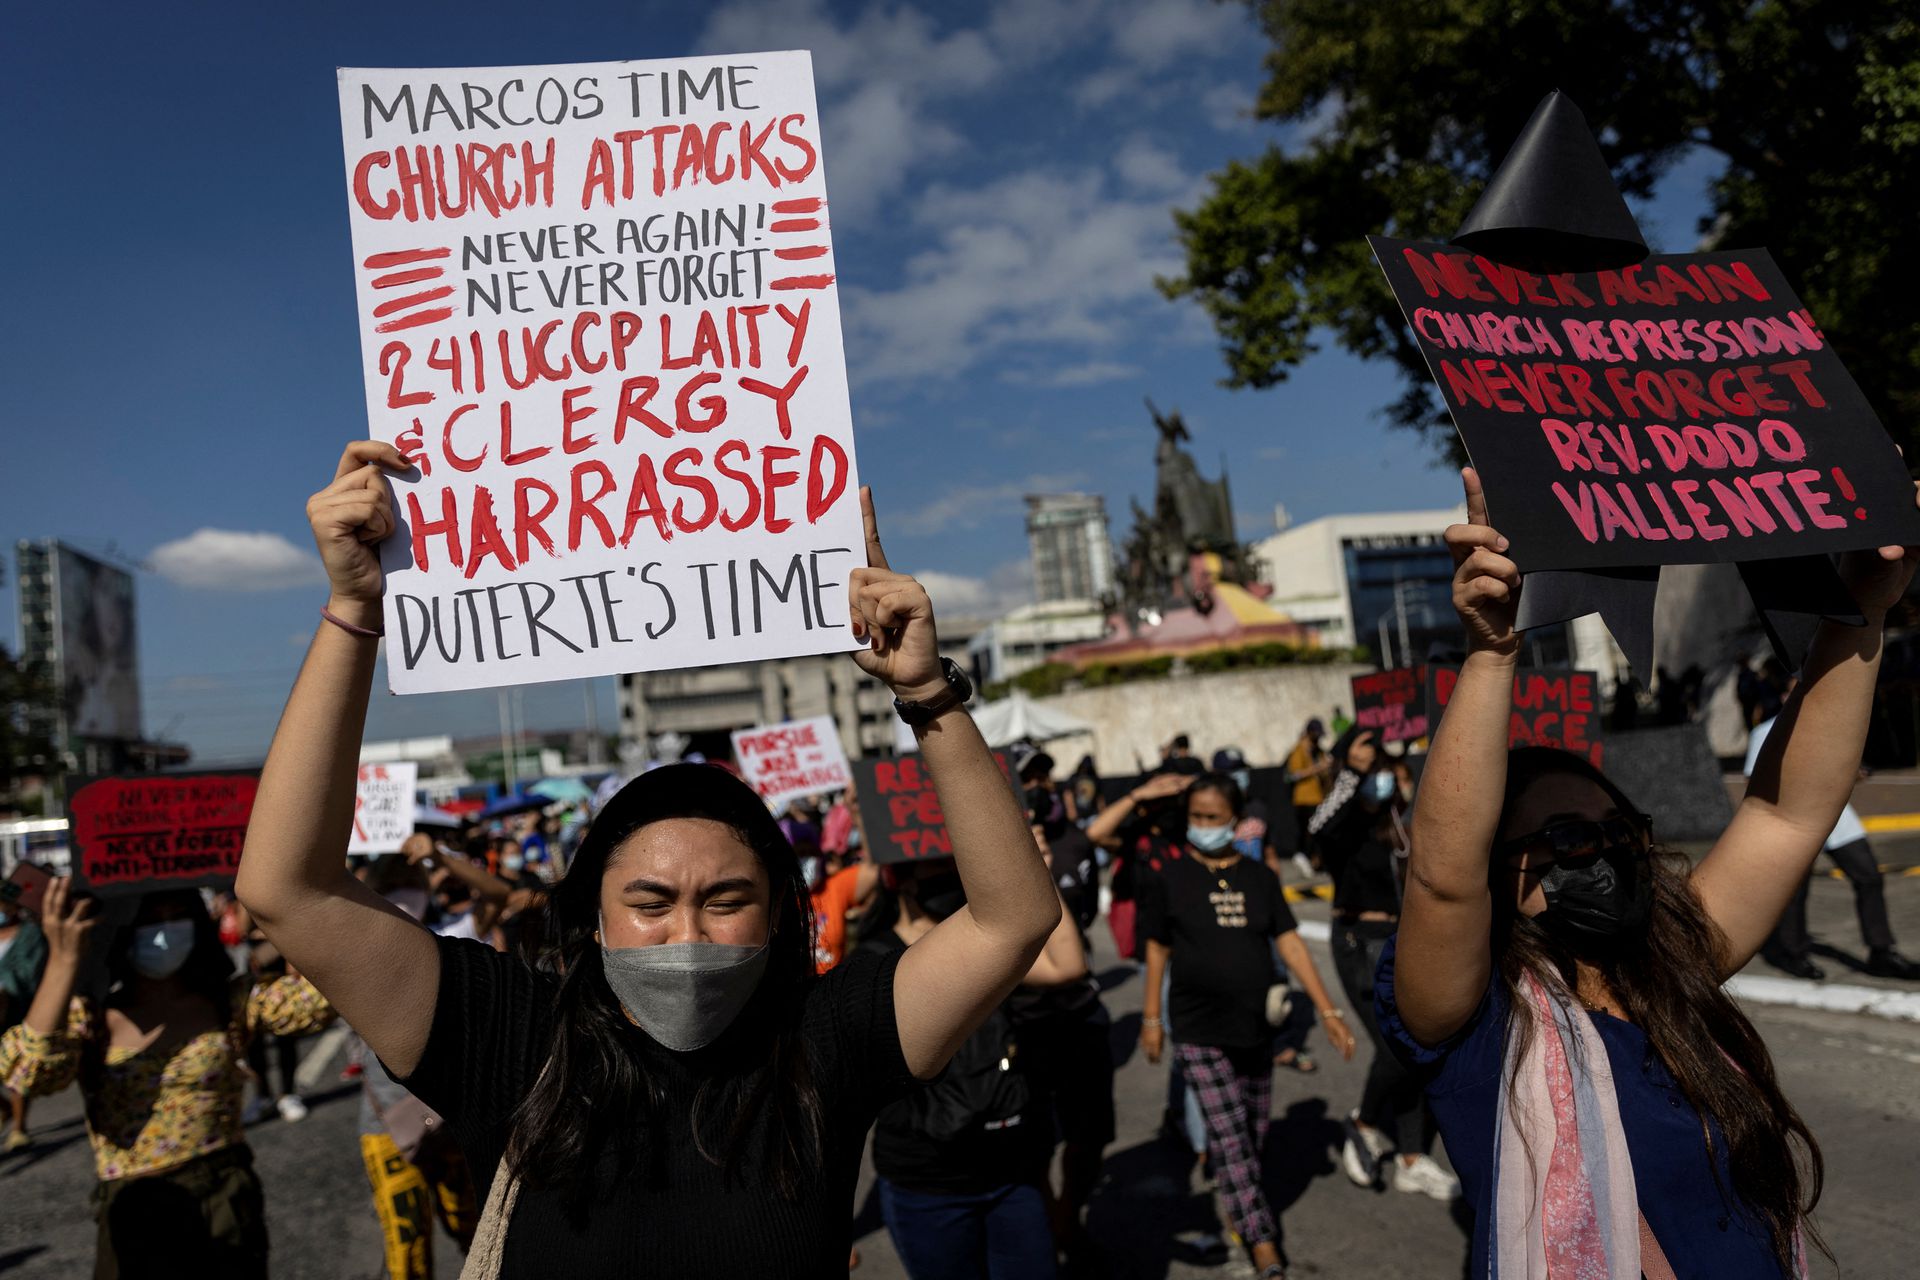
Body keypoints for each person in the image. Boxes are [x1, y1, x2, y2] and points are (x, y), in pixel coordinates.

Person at [234, 442, 1062, 1277]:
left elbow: (1013, 919)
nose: (686, 934)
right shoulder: (509, 1040)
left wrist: (926, 694)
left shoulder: (824, 1045)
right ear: (593, 913)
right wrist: (354, 610)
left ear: (779, 909)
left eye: (727, 898)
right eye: (651, 901)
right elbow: (287, 889)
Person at [1380, 467, 1920, 1277]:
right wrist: (1493, 653)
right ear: (1502, 874)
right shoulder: (1475, 1027)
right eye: (1561, 839)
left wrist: (1865, 604)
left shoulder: (1673, 965)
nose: (1596, 853)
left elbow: (1787, 814)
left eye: (1615, 830)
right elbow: (1442, 879)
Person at [2, 880, 333, 1277]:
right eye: (150, 919)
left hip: (225, 1197)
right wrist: (63, 959)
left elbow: (323, 998)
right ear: (121, 928)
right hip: (135, 1207)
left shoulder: (228, 1002)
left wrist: (294, 904)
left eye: (178, 916)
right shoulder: (89, 1019)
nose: (165, 930)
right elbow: (27, 1073)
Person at [1137, 771, 1357, 1279]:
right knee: (1232, 1138)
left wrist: (1328, 1011)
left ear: (1235, 821)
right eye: (1195, 817)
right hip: (1197, 1029)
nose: (1203, 826)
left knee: (1251, 1131)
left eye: (1213, 818)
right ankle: (1260, 1239)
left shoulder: (1260, 878)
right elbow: (1156, 949)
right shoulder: (1170, 877)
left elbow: (1290, 944)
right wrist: (1153, 1018)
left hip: (1256, 1027)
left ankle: (1236, 1186)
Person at [865, 855, 1081, 1280]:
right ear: (901, 878)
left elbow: (1067, 965)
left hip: (1010, 1174)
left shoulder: (989, 948)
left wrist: (1032, 866)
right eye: (939, 871)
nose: (954, 880)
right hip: (928, 1183)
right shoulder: (873, 962)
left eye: (960, 866)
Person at [1306, 734, 1457, 1200]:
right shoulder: (1346, 825)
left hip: (1403, 940)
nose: (1386, 779)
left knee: (1417, 1048)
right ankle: (1365, 1122)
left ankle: (1411, 1158)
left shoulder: (1401, 827)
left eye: (1390, 771)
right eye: (1375, 770)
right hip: (1359, 943)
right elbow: (1317, 828)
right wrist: (1350, 772)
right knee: (1396, 1046)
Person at [1745, 688, 1920, 980]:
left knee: (1869, 876)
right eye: (1792, 690)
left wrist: (1855, 773)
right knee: (1795, 890)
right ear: (1783, 696)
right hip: (1794, 818)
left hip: (1835, 814)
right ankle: (1793, 952)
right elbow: (1755, 781)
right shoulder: (1765, 732)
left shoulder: (1829, 727)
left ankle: (1881, 952)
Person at [0, 894, 48, 1152]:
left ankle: (19, 1127)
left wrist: (5, 986)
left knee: (17, 1071)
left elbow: (30, 972)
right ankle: (5, 1109)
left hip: (18, 1010)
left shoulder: (30, 934)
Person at [1283, 720, 1332, 856]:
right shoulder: (1298, 751)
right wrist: (1317, 768)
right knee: (1308, 832)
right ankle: (1304, 856)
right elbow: (1294, 775)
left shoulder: (1318, 750)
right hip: (1304, 799)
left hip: (1319, 798)